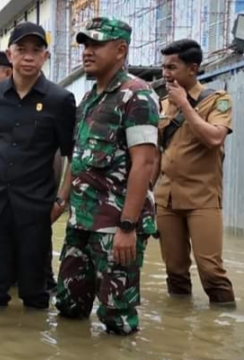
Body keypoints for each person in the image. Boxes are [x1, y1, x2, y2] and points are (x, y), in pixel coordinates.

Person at [55, 17, 159, 335]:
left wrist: (127, 227)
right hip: (81, 222)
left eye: (97, 44)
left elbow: (145, 163)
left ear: (120, 50)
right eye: (85, 44)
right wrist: (61, 201)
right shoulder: (88, 100)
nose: (87, 51)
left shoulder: (137, 96)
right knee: (69, 306)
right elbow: (78, 158)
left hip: (116, 225)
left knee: (116, 316)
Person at [0, 22, 76, 309]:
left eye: (35, 50)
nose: (28, 56)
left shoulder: (60, 100)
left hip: (36, 208)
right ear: (9, 54)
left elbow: (73, 155)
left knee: (35, 293)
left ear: (45, 57)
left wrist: (61, 199)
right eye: (21, 50)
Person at [154, 39, 236, 305]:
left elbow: (214, 139)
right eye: (164, 67)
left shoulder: (217, 100)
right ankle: (178, 325)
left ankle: (220, 328)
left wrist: (186, 106)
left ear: (193, 68)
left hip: (202, 199)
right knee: (174, 272)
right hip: (166, 200)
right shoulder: (163, 104)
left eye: (172, 67)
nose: (166, 73)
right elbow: (156, 153)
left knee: (211, 272)